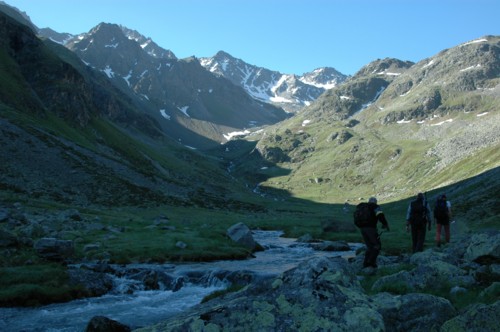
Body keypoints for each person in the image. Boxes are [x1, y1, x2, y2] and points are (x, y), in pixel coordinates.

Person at [358, 197, 390, 270]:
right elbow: (380, 215)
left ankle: (365, 263)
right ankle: (371, 263)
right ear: (375, 202)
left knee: (369, 246)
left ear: (369, 201)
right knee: (377, 245)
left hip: (362, 229)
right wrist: (385, 224)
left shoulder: (363, 207)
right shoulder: (375, 207)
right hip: (371, 228)